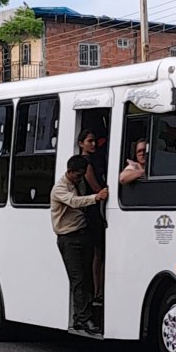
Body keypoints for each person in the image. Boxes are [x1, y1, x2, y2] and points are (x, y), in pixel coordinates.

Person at [51, 155, 109, 335]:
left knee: (87, 276)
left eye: (82, 175)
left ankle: (80, 317)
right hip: (68, 238)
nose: (79, 178)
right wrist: (96, 197)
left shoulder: (79, 183)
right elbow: (74, 201)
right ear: (69, 172)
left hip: (83, 234)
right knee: (78, 279)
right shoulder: (59, 188)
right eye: (77, 175)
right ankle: (84, 318)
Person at [78, 129, 106, 305]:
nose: (93, 144)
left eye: (94, 141)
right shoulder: (86, 163)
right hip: (92, 210)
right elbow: (96, 188)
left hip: (93, 209)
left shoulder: (89, 161)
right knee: (98, 253)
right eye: (89, 141)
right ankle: (97, 291)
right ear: (81, 143)